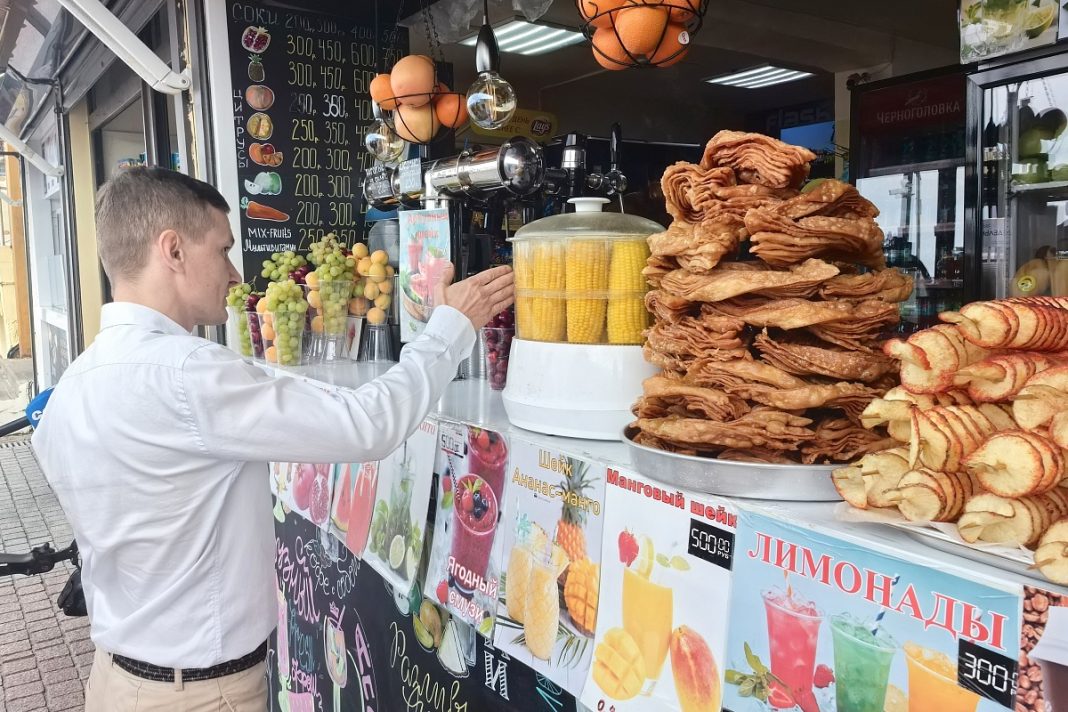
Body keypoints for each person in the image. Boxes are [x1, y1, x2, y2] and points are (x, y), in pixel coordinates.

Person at [31, 167, 514, 711]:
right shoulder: (190, 375)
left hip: (113, 683)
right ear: (173, 250)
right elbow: (367, 426)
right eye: (222, 249)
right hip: (200, 694)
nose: (235, 274)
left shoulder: (71, 389)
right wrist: (449, 328)